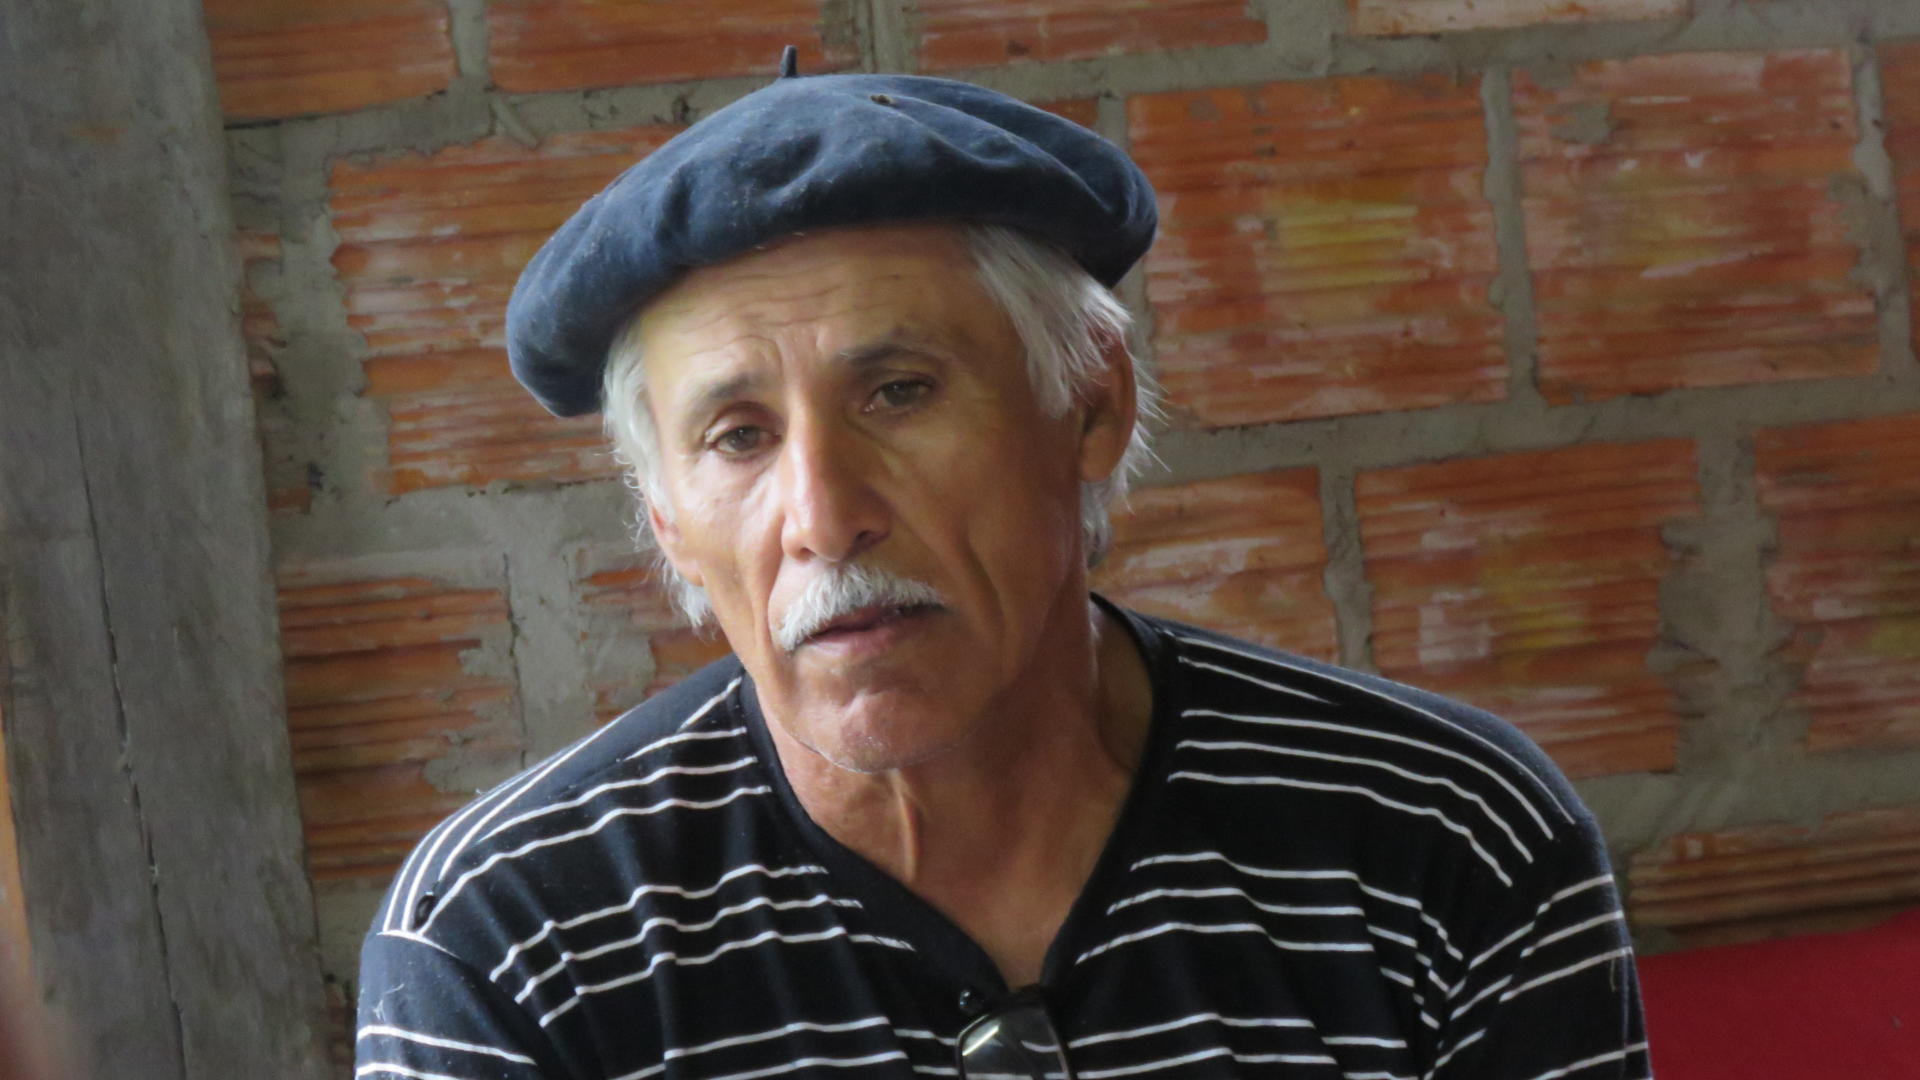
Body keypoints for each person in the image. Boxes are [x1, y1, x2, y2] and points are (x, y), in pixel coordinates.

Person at [354, 56, 1649, 1080]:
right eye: (738, 437)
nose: (824, 519)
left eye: (900, 393)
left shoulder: (1442, 841)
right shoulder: (512, 942)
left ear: (1092, 404)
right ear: (666, 517)